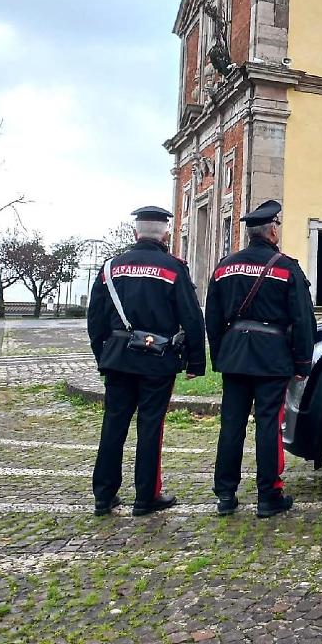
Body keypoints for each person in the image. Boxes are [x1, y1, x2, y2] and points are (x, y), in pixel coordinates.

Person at [87, 206, 207, 517]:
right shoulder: (173, 268)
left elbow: (95, 319)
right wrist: (195, 362)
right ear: (165, 234)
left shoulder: (111, 267)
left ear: (134, 233)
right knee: (151, 427)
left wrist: (103, 355)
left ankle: (104, 495)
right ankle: (146, 496)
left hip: (118, 358)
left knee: (113, 425)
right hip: (157, 359)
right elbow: (192, 317)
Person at [206, 200, 315, 518]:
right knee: (268, 425)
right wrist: (302, 363)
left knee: (231, 425)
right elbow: (303, 318)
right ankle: (269, 495)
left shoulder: (225, 266)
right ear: (271, 231)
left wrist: (219, 355)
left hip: (235, 355)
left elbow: (212, 317)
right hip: (272, 356)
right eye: (276, 226)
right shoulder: (286, 266)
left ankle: (225, 495)